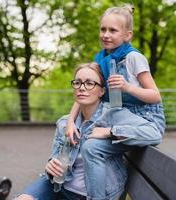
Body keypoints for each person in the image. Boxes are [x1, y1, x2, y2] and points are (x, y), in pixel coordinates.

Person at [15, 62, 161, 200]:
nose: (82, 88)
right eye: (77, 82)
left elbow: (154, 133)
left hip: (91, 195)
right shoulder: (65, 123)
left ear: (101, 91)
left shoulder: (113, 115)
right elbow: (55, 160)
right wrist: (50, 165)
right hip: (58, 186)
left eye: (90, 83)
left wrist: (110, 131)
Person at [65, 4, 166, 200]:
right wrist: (70, 121)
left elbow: (155, 95)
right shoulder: (101, 60)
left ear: (127, 35)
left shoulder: (133, 58)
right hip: (120, 117)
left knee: (100, 130)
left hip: (145, 120)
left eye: (113, 30)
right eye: (103, 29)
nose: (106, 34)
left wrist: (128, 87)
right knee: (90, 147)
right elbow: (84, 90)